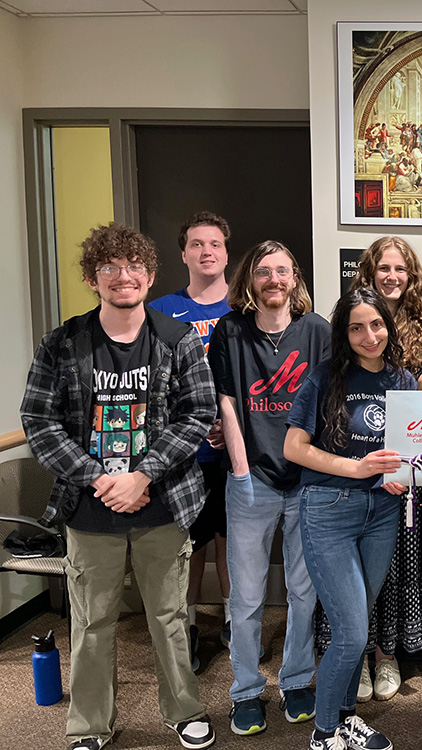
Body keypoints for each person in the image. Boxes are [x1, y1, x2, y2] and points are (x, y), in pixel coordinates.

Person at [21, 222, 217, 750]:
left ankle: (185, 712)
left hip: (161, 504)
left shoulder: (178, 341)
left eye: (133, 267)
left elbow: (196, 413)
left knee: (170, 618)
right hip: (89, 508)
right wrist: (98, 478)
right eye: (109, 268)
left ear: (150, 276)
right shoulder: (62, 344)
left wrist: (143, 474)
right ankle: (88, 726)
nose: (122, 277)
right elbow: (39, 420)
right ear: (93, 277)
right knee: (91, 623)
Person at [285, 288, 417, 750]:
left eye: (376, 325)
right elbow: (294, 448)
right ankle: (323, 733)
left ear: (389, 326)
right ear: (343, 333)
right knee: (352, 630)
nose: (369, 335)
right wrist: (357, 469)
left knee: (356, 622)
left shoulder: (403, 381)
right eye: (356, 327)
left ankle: (345, 718)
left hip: (382, 513)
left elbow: (410, 454)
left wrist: (402, 477)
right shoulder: (324, 378)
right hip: (329, 509)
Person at [208, 240, 331, 735]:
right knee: (246, 596)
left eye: (283, 271)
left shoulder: (318, 331)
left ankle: (297, 680)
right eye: (264, 272)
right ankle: (245, 690)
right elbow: (228, 404)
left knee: (305, 591)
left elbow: (330, 402)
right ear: (250, 281)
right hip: (251, 478)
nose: (274, 280)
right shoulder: (231, 331)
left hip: (309, 482)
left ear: (295, 279)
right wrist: (240, 470)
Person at [320, 237, 422, 704]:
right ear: (367, 273)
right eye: (382, 268)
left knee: (392, 569)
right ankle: (358, 655)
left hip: (401, 470)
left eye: (400, 268)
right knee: (353, 575)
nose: (392, 276)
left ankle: (387, 654)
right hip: (351, 471)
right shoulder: (349, 325)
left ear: (411, 276)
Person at [149, 211, 233, 671]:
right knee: (191, 542)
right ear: (184, 253)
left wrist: (229, 427)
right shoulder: (161, 311)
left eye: (215, 243)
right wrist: (193, 427)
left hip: (235, 448)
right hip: (184, 454)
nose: (207, 251)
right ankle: (188, 626)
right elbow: (155, 385)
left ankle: (234, 622)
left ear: (226, 252)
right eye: (197, 244)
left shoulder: (242, 310)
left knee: (233, 540)